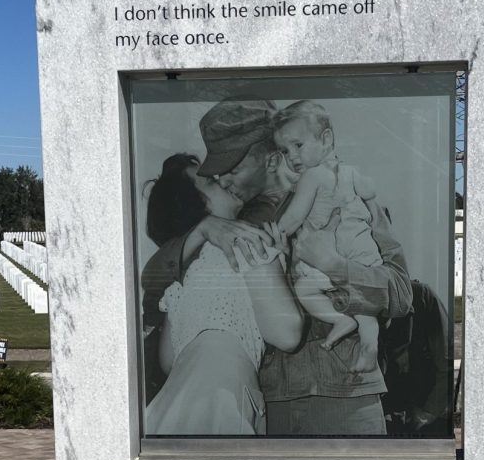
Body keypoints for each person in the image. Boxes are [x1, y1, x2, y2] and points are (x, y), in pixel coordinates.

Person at [141, 98, 413, 437]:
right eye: (216, 172)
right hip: (268, 411)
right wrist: (202, 230)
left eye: (232, 165)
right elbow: (153, 288)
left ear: (269, 155)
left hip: (345, 399)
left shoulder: (348, 192)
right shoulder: (224, 227)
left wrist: (335, 265)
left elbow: (401, 294)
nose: (223, 177)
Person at [143, 153, 302, 436]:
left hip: (172, 404)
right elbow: (287, 333)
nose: (222, 180)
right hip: (222, 399)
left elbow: (168, 361)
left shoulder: (180, 279)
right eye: (210, 181)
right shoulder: (248, 244)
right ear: (193, 204)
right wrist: (275, 267)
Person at [272, 101, 381, 374]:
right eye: (285, 151)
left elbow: (295, 217)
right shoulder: (347, 171)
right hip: (364, 254)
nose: (292, 156)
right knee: (364, 305)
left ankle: (339, 321)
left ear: (326, 139)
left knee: (305, 289)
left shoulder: (311, 176)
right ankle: (369, 346)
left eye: (298, 145)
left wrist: (274, 233)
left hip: (330, 256)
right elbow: (370, 191)